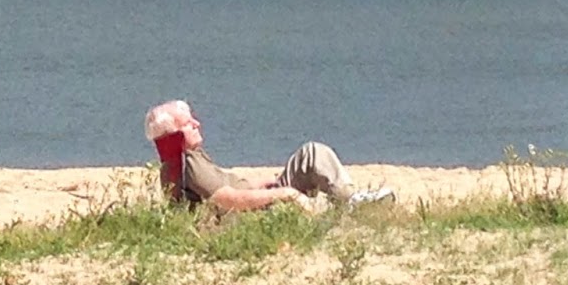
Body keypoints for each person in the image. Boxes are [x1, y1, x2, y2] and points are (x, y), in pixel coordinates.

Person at [144, 99, 392, 213]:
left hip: (256, 198)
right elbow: (230, 200)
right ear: (174, 135)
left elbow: (226, 186)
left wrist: (260, 183)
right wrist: (283, 193)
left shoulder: (185, 158)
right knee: (312, 153)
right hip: (255, 210)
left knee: (309, 154)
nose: (198, 123)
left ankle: (349, 200)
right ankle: (350, 202)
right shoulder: (190, 165)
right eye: (189, 124)